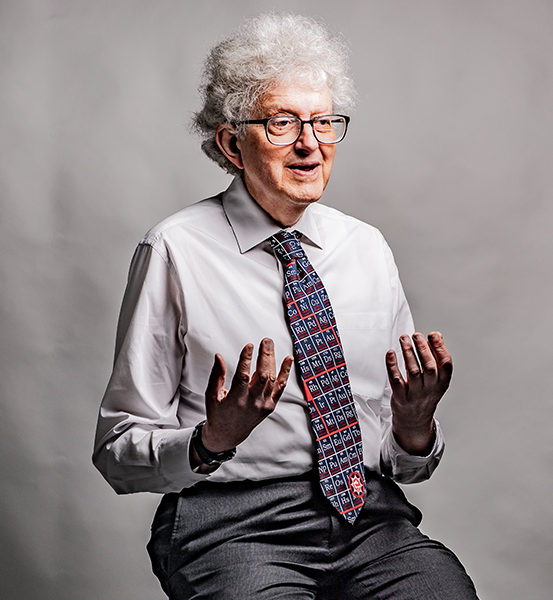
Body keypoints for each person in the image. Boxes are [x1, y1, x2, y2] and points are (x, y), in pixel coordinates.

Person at [93, 12, 478, 600]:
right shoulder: (174, 249)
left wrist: (413, 426)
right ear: (232, 143)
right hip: (230, 525)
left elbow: (403, 463)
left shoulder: (366, 248)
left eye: (324, 122)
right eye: (282, 123)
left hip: (369, 521)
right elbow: (117, 450)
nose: (310, 144)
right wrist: (210, 440)